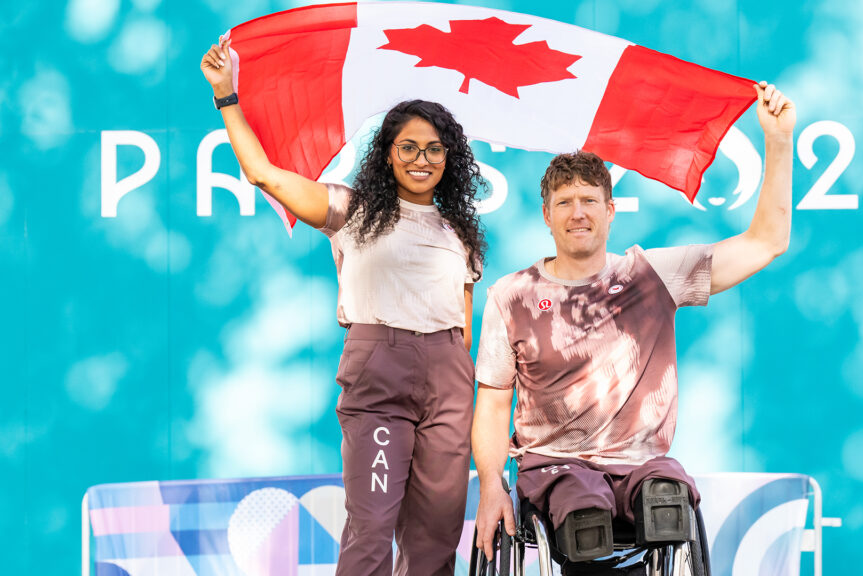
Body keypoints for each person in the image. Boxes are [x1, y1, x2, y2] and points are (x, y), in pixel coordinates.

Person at [471, 82, 794, 564]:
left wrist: (779, 141)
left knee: (666, 492)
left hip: (640, 466)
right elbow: (494, 406)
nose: (577, 212)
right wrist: (492, 489)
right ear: (546, 215)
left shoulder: (652, 275)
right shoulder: (511, 296)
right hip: (555, 467)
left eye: (589, 200)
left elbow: (765, 242)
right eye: (564, 202)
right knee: (583, 509)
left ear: (610, 211)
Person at [201, 38, 487, 576]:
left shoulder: (460, 235)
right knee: (372, 527)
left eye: (433, 149)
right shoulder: (350, 210)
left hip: (449, 376)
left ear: (449, 159)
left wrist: (455, 375)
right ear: (387, 154)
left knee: (437, 536)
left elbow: (464, 326)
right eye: (408, 147)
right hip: (380, 372)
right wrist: (226, 96)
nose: (421, 159)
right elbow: (263, 173)